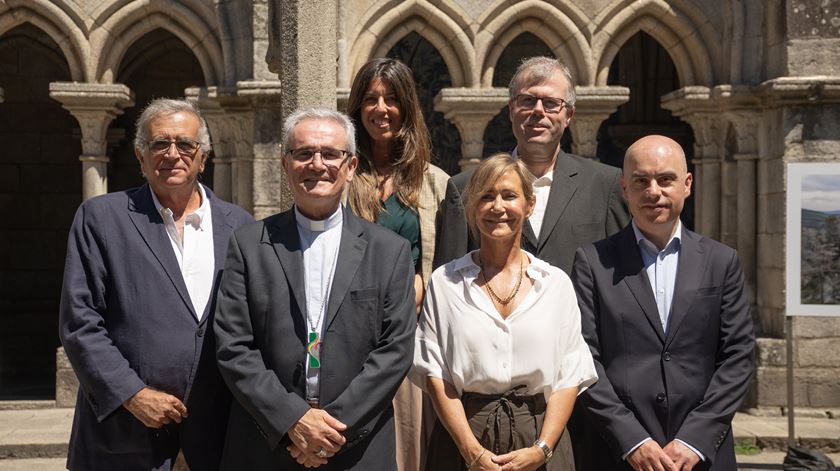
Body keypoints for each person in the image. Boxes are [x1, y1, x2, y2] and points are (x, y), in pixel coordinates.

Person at [213, 108, 416, 470]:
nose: (316, 164)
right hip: (267, 443)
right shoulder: (247, 245)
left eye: (330, 153)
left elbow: (394, 352)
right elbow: (233, 347)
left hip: (356, 446)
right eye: (303, 153)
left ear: (351, 166)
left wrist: (330, 431)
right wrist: (293, 420)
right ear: (285, 164)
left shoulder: (389, 251)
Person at [58, 98, 254, 470]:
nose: (172, 154)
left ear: (203, 157)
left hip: (215, 436)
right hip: (125, 433)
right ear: (140, 155)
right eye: (159, 144)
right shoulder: (102, 219)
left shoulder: (240, 227)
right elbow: (80, 323)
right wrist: (132, 394)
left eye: (185, 144)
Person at [571, 135, 755, 471]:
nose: (653, 191)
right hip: (618, 455)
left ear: (687, 184)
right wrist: (632, 440)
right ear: (625, 189)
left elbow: (738, 357)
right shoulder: (593, 262)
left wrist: (695, 439)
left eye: (666, 179)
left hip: (700, 457)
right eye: (641, 181)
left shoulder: (721, 261)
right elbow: (583, 359)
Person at [413, 154, 597, 471]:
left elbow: (570, 376)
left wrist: (542, 449)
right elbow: (436, 375)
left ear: (529, 204)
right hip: (463, 438)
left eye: (509, 195)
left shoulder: (555, 284)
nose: (498, 207)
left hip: (540, 437)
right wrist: (471, 452)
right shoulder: (446, 282)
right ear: (472, 207)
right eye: (486, 196)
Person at [345, 57, 449, 471]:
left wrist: (421, 286)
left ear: (407, 107)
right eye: (370, 99)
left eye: (391, 99)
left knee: (407, 448)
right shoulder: (342, 180)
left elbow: (445, 265)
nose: (381, 109)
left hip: (411, 336)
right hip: (349, 335)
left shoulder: (434, 183)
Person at [433, 56, 629, 274]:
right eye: (527, 100)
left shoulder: (604, 186)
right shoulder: (466, 188)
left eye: (551, 103)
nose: (538, 111)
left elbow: (622, 274)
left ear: (569, 115)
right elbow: (448, 278)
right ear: (511, 109)